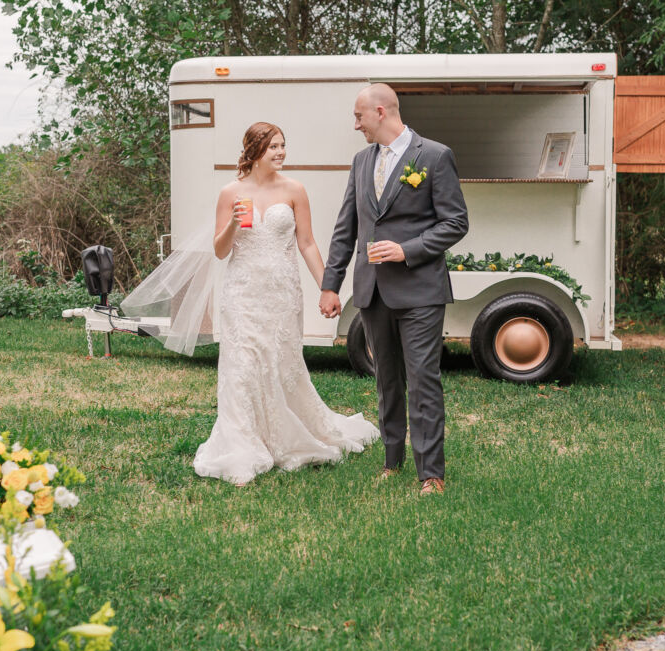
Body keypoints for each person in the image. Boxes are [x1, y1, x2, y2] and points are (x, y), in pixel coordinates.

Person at [189, 122, 380, 485]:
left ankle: (290, 434)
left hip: (281, 293)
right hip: (242, 293)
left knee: (280, 361)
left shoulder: (294, 190)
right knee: (243, 366)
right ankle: (243, 441)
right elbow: (219, 250)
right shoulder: (231, 192)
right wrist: (231, 224)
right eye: (273, 146)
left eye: (282, 145)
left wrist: (329, 287)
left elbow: (306, 243)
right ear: (255, 150)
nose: (281, 152)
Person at [319, 84, 469, 496]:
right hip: (372, 292)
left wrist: (407, 250)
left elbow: (455, 222)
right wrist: (330, 285)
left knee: (422, 379)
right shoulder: (360, 161)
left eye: (358, 117)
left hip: (420, 290)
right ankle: (391, 460)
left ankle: (431, 474)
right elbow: (345, 227)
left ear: (380, 112)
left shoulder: (435, 156)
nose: (355, 125)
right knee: (386, 380)